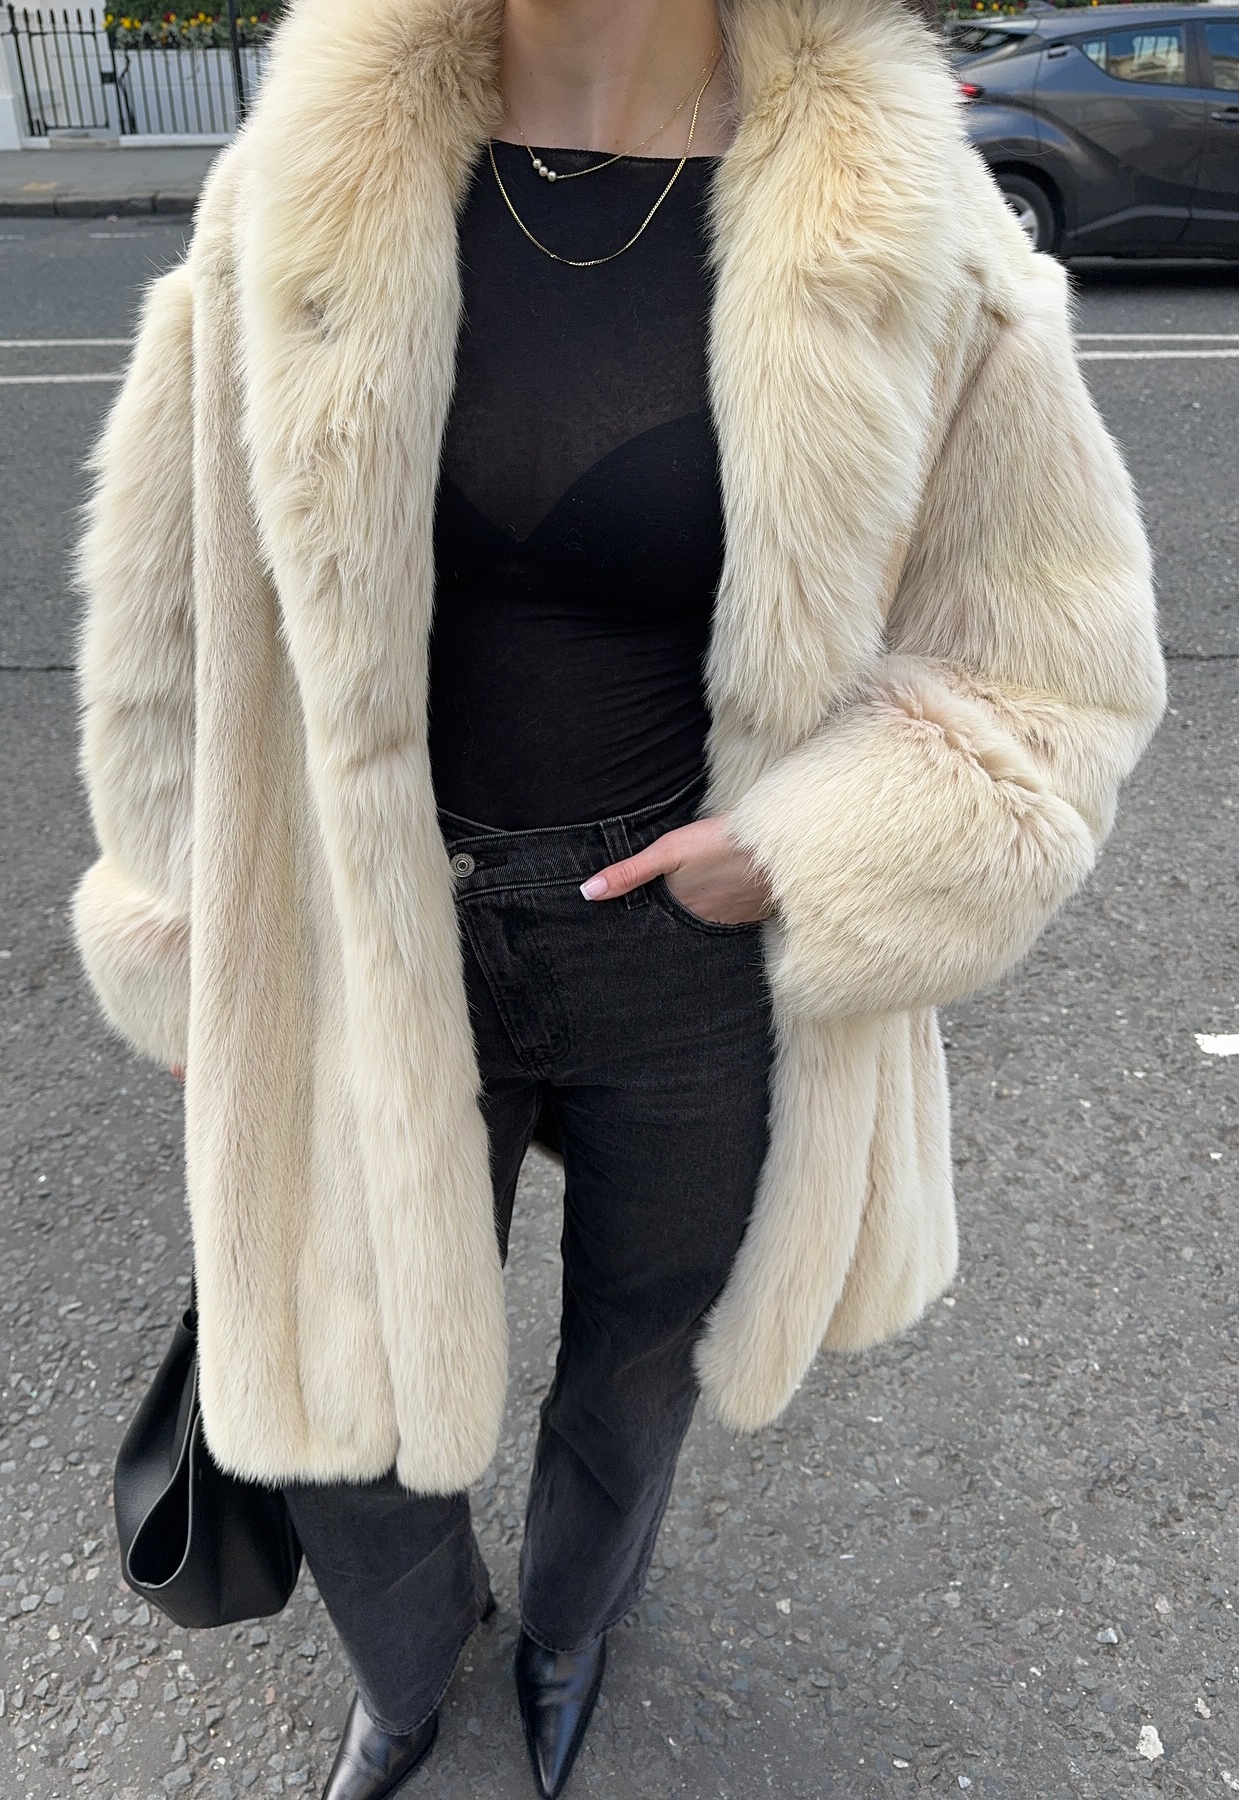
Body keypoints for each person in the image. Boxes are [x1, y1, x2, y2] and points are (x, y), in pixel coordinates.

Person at [70, 0, 1164, 1794]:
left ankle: (576, 1621)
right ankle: (416, 1673)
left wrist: (809, 846)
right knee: (335, 1370)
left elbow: (1054, 673)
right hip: (370, 927)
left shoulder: (906, 216)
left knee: (643, 1354)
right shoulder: (300, 180)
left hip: (693, 951)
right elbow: (170, 616)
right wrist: (190, 941)